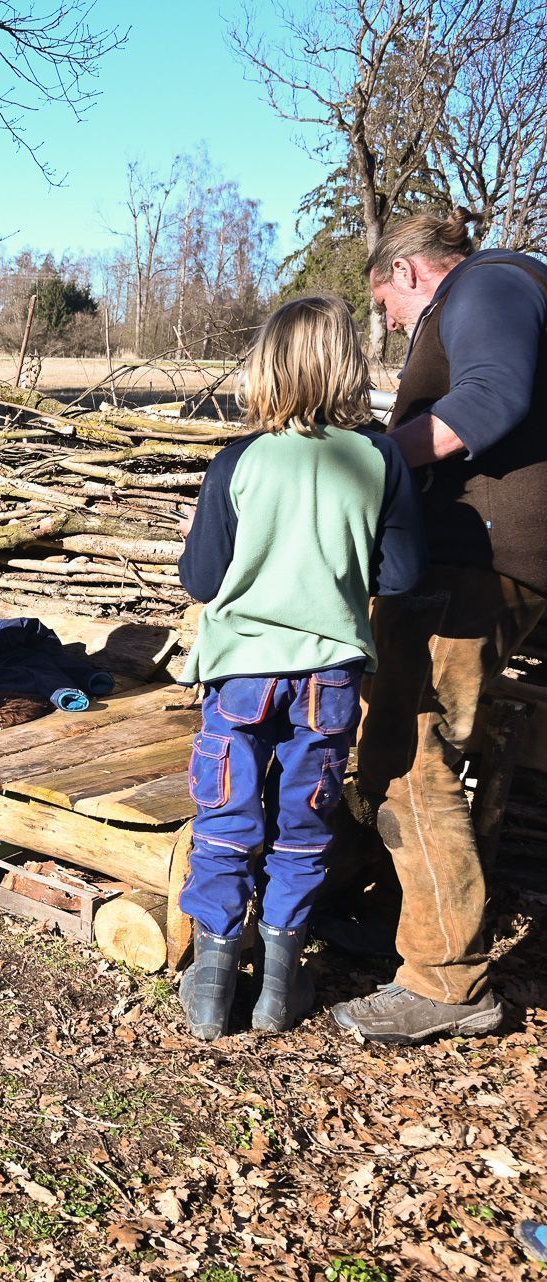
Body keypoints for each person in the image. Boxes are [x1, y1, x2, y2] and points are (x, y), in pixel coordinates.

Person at [173, 297, 425, 1041]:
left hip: (242, 670)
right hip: (330, 675)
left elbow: (202, 578)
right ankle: (279, 984)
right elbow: (403, 575)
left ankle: (214, 981)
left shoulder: (240, 460)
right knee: (303, 820)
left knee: (227, 813)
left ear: (267, 365)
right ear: (349, 363)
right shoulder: (379, 459)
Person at [327, 208, 547, 1044]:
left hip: (475, 562)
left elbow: (490, 398)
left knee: (410, 753)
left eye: (386, 306)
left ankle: (446, 981)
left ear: (410, 274)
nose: (389, 322)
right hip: (480, 561)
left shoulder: (486, 284)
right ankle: (411, 926)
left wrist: (368, 461)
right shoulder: (512, 285)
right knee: (427, 745)